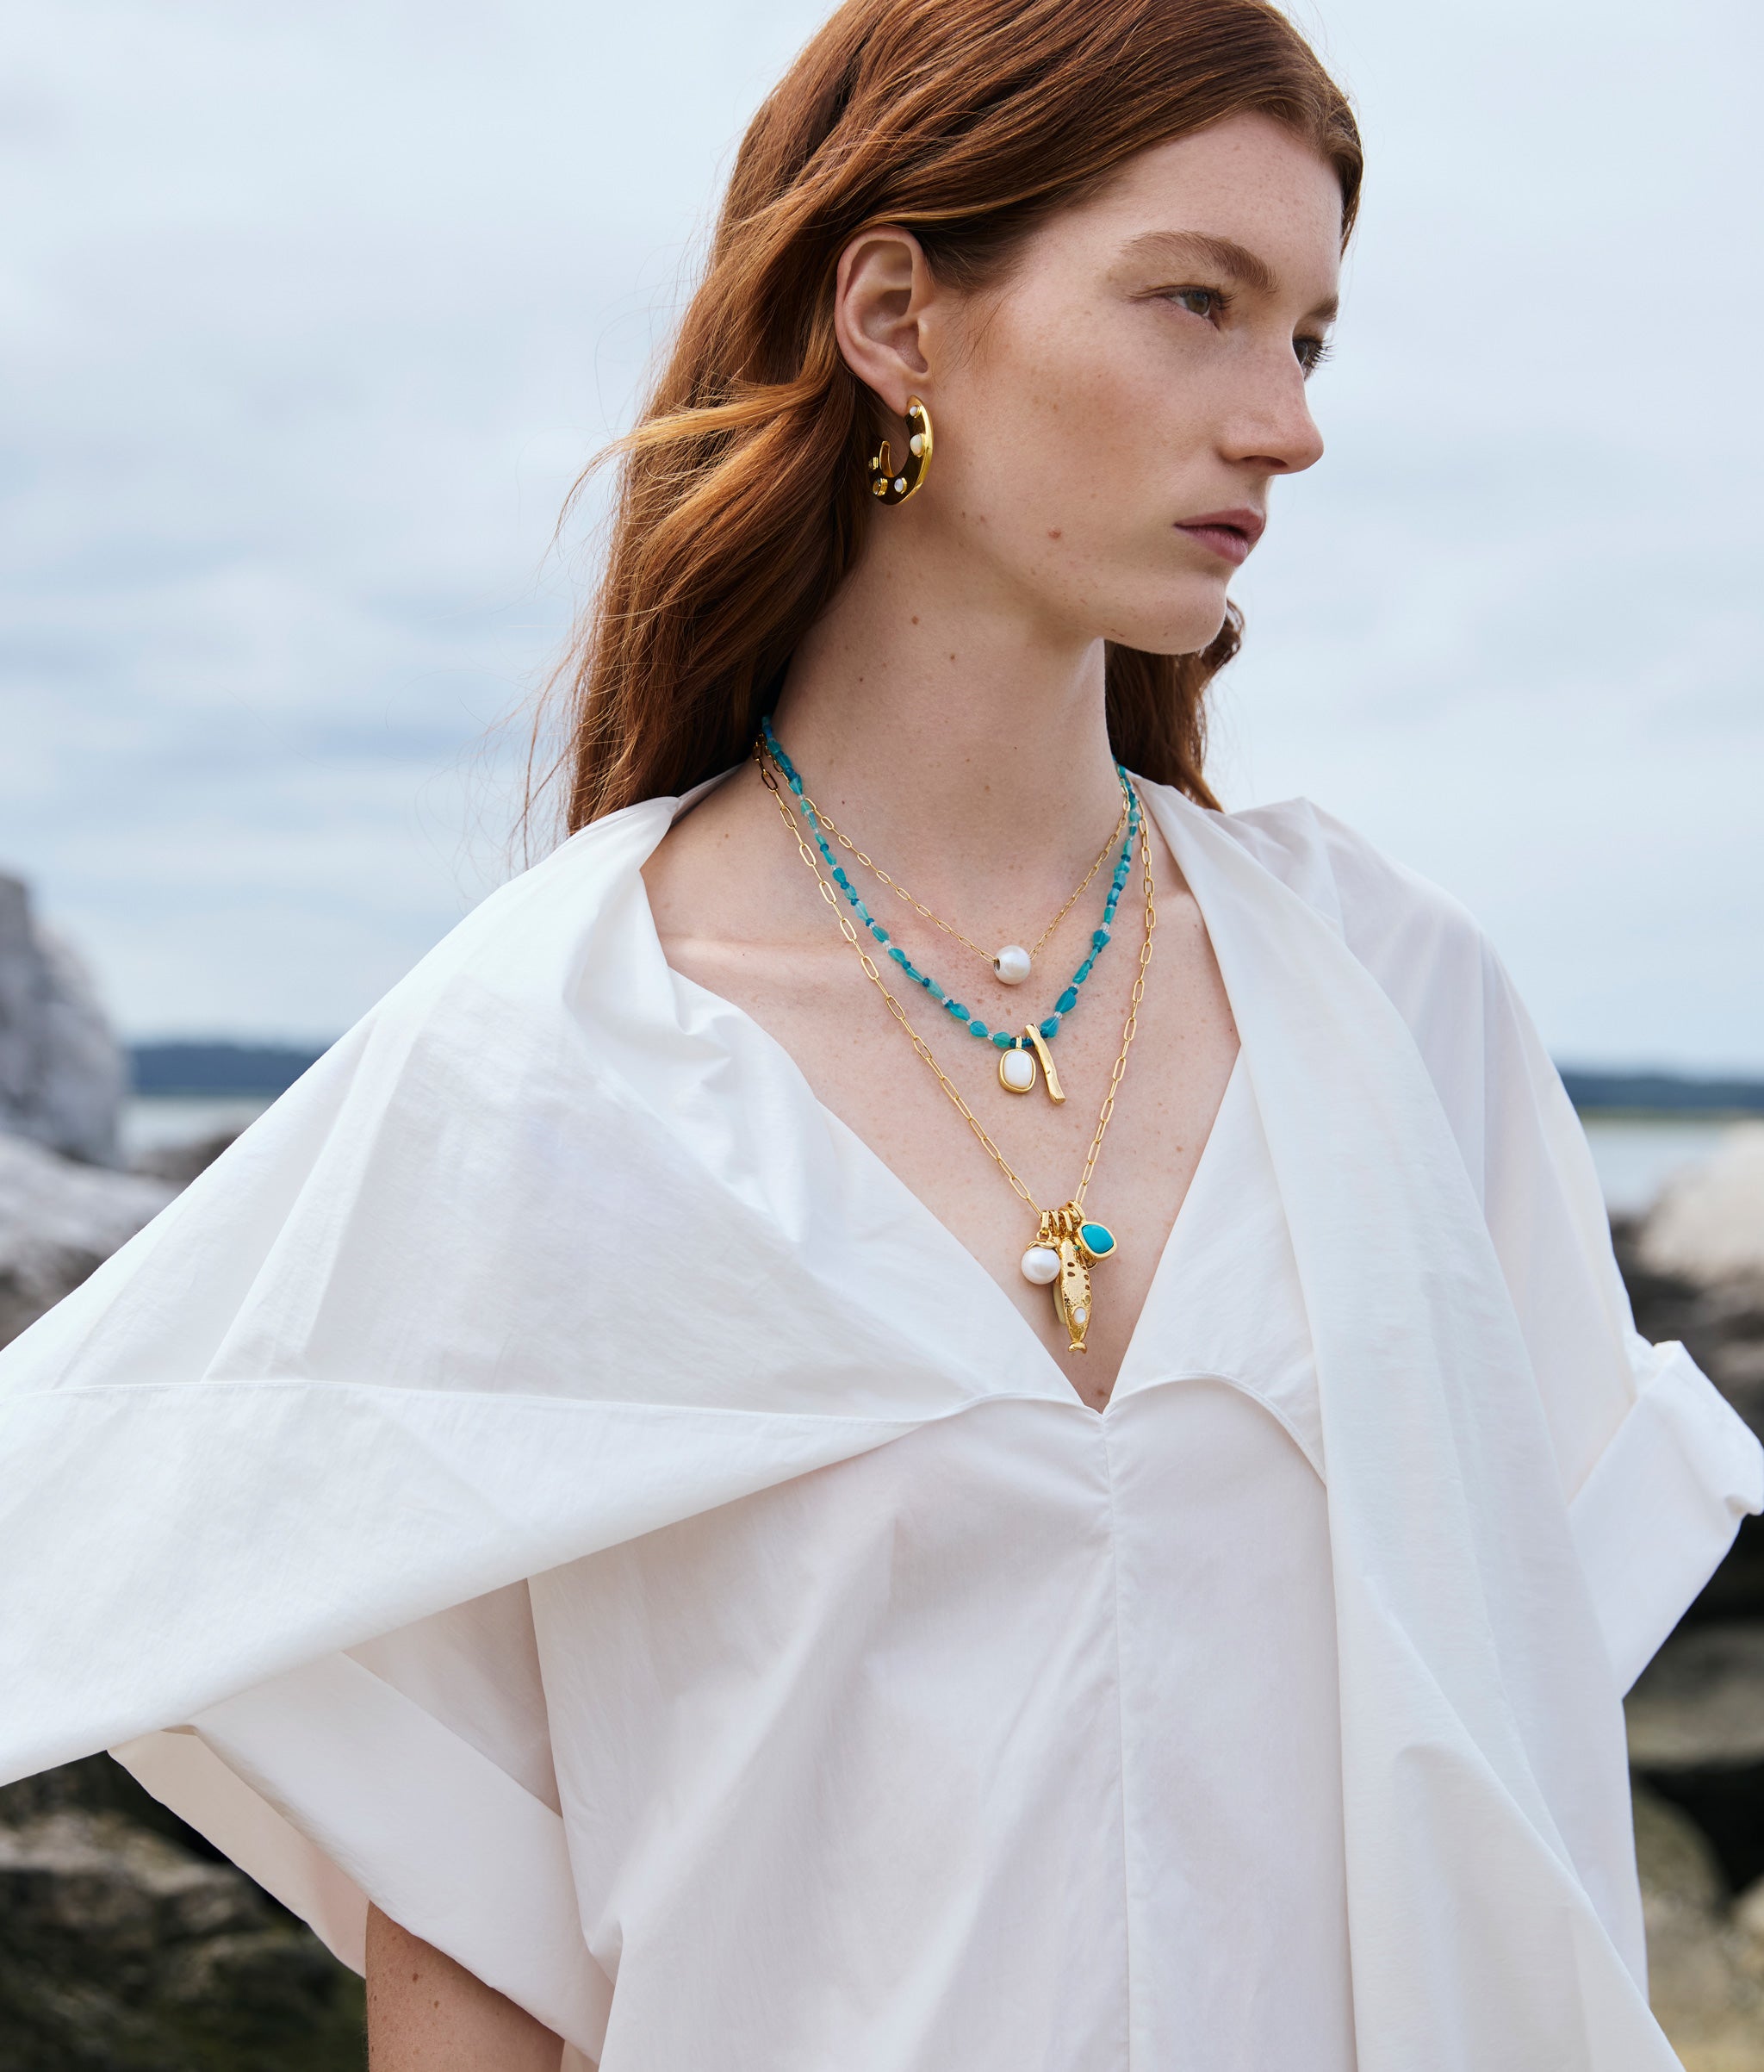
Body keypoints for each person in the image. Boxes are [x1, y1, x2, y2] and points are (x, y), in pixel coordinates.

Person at [2, 1, 1757, 2066]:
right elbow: (471, 1962)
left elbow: (1527, 1842)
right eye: (1198, 303)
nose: (1284, 422)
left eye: (1306, 337)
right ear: (897, 320)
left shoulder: (1399, 1004)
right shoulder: (539, 1069)